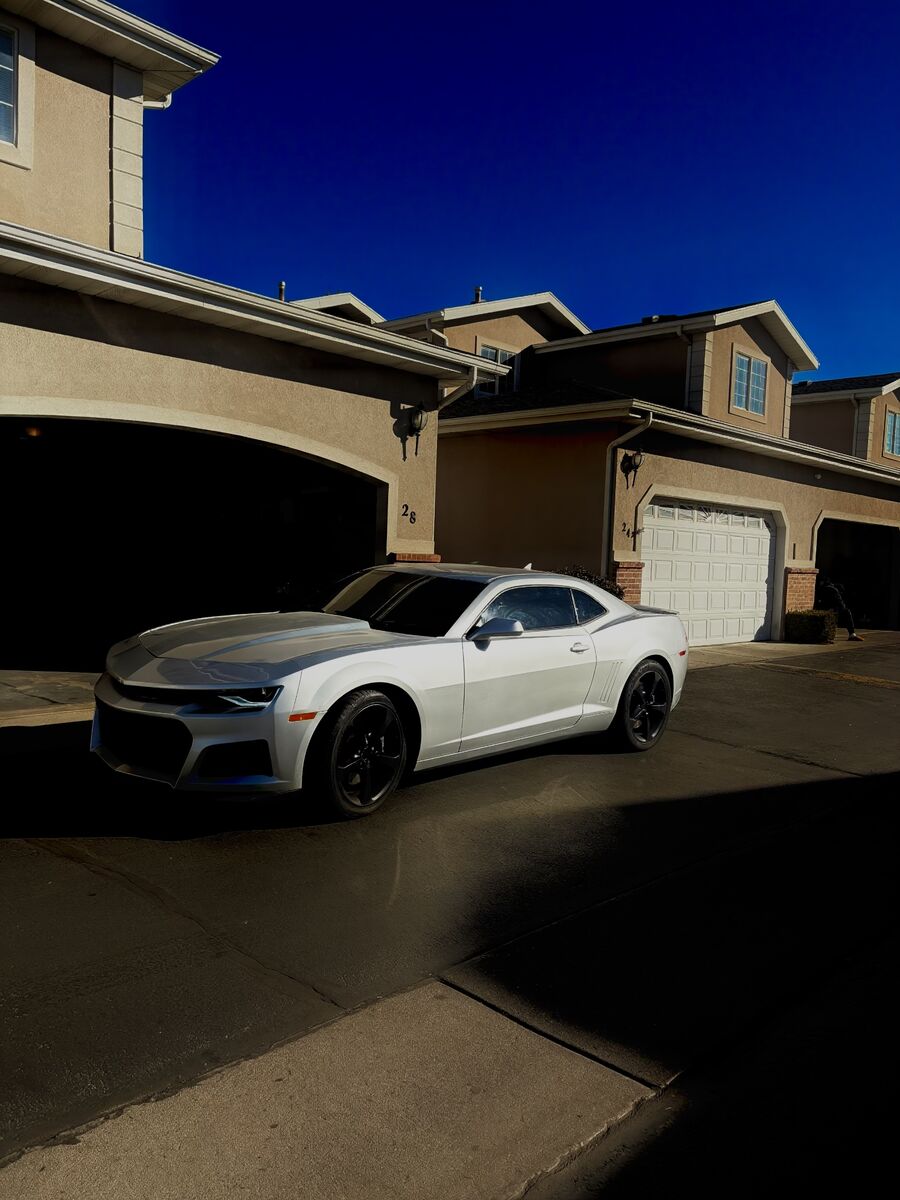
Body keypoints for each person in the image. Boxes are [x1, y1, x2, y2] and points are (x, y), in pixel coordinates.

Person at [817, 575, 863, 641]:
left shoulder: (823, 588)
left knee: (846, 612)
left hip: (827, 608)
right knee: (846, 612)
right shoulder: (832, 589)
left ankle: (852, 634)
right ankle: (852, 634)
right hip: (832, 609)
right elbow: (840, 604)